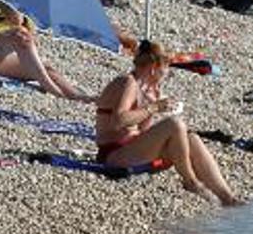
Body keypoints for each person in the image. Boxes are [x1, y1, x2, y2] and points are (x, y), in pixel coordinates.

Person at [95, 41, 241, 205]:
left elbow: (142, 130)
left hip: (131, 150)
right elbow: (118, 121)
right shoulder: (128, 83)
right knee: (175, 124)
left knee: (191, 138)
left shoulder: (143, 88)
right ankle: (190, 181)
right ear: (153, 68)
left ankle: (228, 198)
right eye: (165, 70)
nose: (166, 75)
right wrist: (153, 108)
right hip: (113, 155)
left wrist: (153, 106)